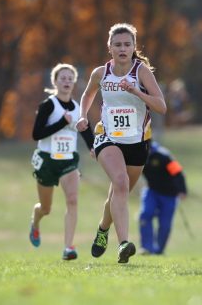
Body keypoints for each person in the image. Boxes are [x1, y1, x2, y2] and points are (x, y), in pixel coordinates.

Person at [76, 23, 167, 263]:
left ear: (134, 47)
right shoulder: (101, 73)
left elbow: (161, 106)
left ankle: (103, 229)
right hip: (107, 137)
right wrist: (83, 115)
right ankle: (124, 244)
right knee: (120, 182)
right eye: (118, 44)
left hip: (138, 142)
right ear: (110, 48)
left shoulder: (142, 72)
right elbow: (87, 94)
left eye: (127, 44)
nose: (123, 48)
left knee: (119, 192)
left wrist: (138, 92)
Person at [29, 63, 95, 261]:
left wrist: (93, 147)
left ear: (74, 83)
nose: (66, 82)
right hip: (47, 161)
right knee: (46, 208)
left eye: (70, 79)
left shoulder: (78, 108)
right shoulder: (48, 105)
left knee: (73, 200)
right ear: (55, 81)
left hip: (68, 161)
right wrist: (61, 123)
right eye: (63, 78)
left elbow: (84, 129)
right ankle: (36, 219)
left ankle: (68, 247)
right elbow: (36, 134)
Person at [139, 141, 187, 255]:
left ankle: (159, 250)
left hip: (169, 194)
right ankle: (146, 248)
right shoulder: (137, 154)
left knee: (165, 224)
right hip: (151, 191)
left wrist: (182, 190)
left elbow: (178, 173)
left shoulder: (164, 156)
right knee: (145, 214)